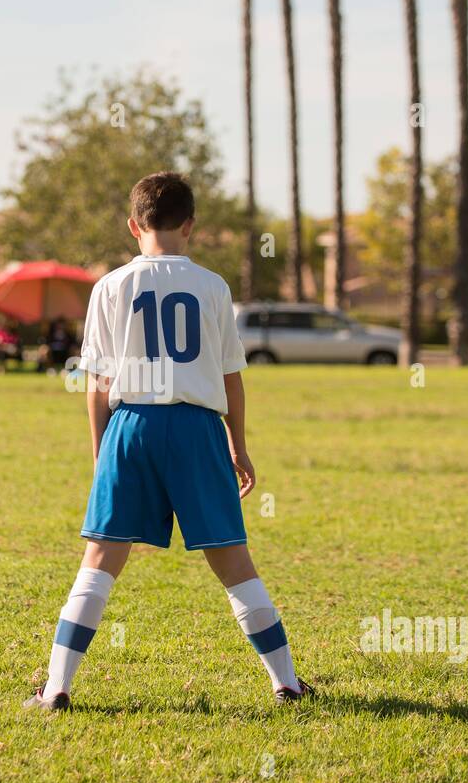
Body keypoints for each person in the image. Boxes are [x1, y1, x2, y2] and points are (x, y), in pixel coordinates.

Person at [24, 172, 314, 712]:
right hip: (197, 428)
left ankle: (58, 686)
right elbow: (231, 377)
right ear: (191, 227)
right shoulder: (213, 287)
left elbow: (98, 383)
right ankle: (287, 683)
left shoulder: (109, 286)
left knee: (100, 559)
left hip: (131, 425)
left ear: (134, 225)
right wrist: (239, 445)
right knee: (233, 562)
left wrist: (101, 450)